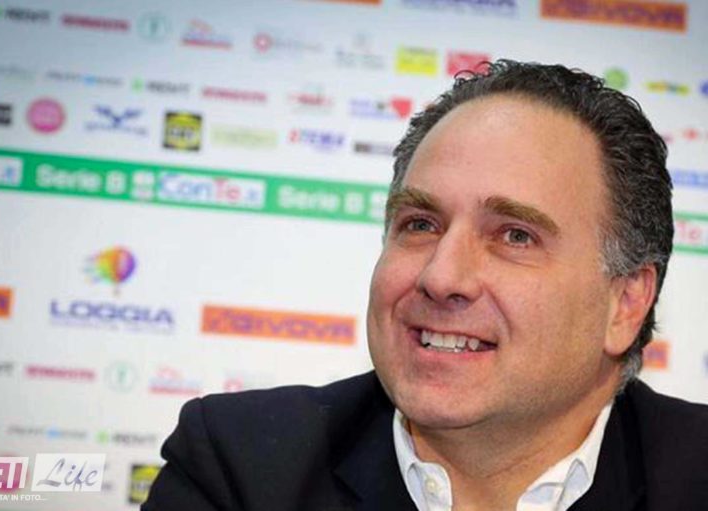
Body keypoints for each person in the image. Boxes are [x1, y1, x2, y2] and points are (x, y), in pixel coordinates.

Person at [142, 60, 708, 511]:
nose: (440, 276)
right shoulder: (244, 467)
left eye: (514, 236)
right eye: (420, 224)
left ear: (625, 302)